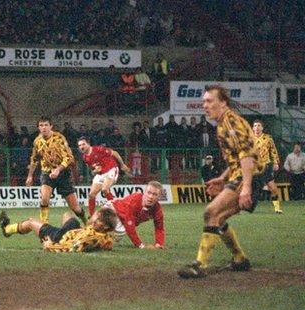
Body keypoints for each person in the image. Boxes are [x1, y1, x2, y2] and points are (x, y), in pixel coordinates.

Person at [178, 85, 264, 279]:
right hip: (240, 175)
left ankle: (199, 265)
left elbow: (247, 156)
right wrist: (223, 177)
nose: (205, 105)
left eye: (209, 101)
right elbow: (236, 158)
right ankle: (240, 259)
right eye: (203, 102)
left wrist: (247, 188)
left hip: (248, 177)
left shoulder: (231, 122)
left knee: (211, 212)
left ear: (223, 102)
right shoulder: (223, 124)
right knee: (219, 217)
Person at [26, 117, 87, 225]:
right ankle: (44, 226)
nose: (43, 127)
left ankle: (85, 221)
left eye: (45, 125)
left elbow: (69, 157)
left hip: (63, 174)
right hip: (47, 173)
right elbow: (34, 159)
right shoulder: (37, 141)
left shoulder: (59, 138)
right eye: (41, 125)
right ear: (38, 127)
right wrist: (30, 176)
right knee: (44, 199)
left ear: (51, 126)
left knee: (75, 208)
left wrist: (58, 170)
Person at [0, 207, 118, 253]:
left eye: (96, 217)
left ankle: (7, 229)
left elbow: (71, 248)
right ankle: (45, 227)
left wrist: (50, 245)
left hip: (58, 238)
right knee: (68, 215)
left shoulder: (89, 237)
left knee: (30, 222)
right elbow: (107, 242)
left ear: (105, 225)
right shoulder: (105, 233)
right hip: (72, 232)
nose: (93, 218)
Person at [103, 181, 166, 249]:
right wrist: (140, 245)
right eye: (149, 193)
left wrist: (159, 243)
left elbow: (159, 228)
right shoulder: (135, 200)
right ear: (144, 192)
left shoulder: (157, 210)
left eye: (155, 194)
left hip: (123, 220)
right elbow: (129, 226)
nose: (150, 197)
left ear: (159, 197)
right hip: (112, 209)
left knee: (117, 235)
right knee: (102, 229)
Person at [77, 137, 130, 216]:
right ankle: (92, 216)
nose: (82, 147)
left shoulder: (99, 149)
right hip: (101, 174)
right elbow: (93, 171)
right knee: (91, 194)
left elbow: (114, 153)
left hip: (111, 169)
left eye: (83, 144)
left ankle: (116, 210)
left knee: (105, 189)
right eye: (80, 145)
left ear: (88, 144)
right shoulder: (85, 157)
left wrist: (122, 165)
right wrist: (95, 171)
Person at [252, 120, 283, 213]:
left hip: (266, 165)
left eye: (259, 125)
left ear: (262, 128)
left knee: (273, 188)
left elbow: (273, 150)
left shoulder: (268, 138)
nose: (257, 127)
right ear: (253, 128)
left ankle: (277, 208)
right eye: (255, 126)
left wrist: (276, 162)